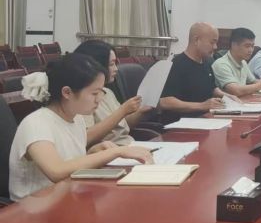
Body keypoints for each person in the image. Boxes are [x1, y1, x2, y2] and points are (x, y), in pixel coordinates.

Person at [9, 54, 154, 201]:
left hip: (66, 197)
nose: (99, 99)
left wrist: (92, 153)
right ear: (67, 92)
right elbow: (57, 171)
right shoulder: (36, 123)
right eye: (94, 93)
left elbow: (70, 162)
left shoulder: (76, 118)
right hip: (33, 208)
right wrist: (116, 152)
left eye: (101, 92)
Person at [74, 39, 153, 146]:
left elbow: (121, 127)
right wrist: (122, 111)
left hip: (129, 145)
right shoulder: (81, 97)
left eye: (115, 64)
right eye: (111, 64)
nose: (116, 69)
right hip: (110, 151)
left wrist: (139, 112)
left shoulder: (107, 92)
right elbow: (86, 137)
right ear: (97, 65)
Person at [159, 22, 229, 123]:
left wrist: (228, 97)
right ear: (196, 40)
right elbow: (165, 102)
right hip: (181, 123)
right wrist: (202, 106)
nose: (215, 47)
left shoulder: (207, 62)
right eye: (212, 42)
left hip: (205, 119)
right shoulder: (175, 65)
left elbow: (212, 88)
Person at [212, 27, 261, 97]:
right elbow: (236, 91)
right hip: (227, 103)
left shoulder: (243, 62)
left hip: (242, 101)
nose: (251, 50)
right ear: (234, 45)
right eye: (247, 46)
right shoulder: (221, 64)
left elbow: (253, 82)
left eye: (252, 46)